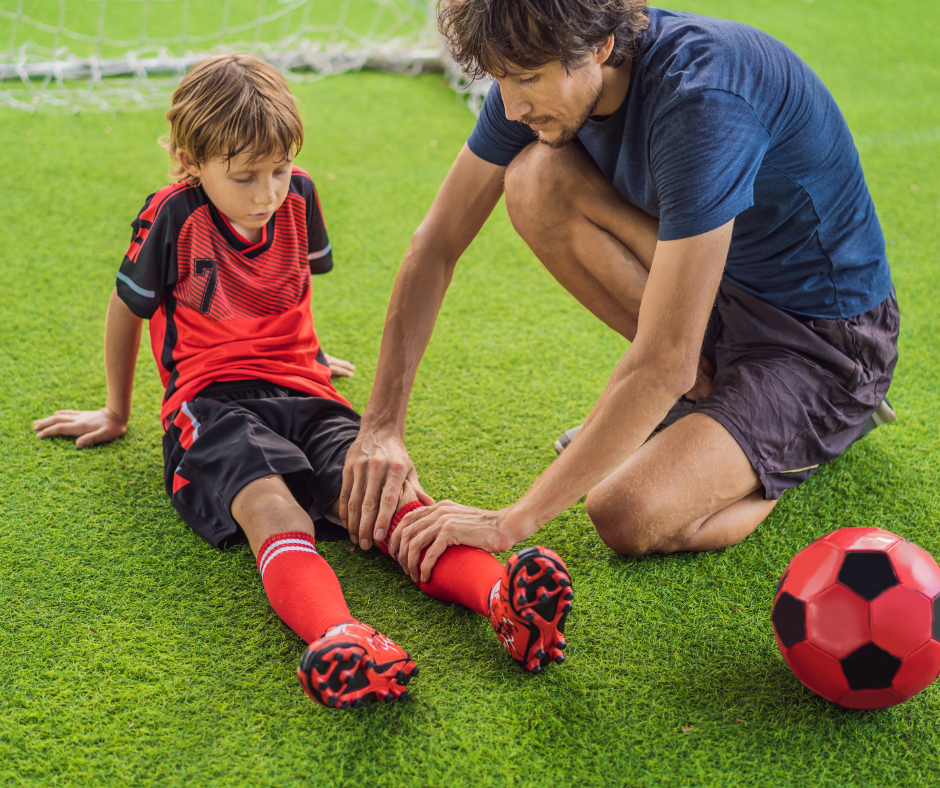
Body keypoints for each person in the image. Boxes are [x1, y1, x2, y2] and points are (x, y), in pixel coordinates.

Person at [32, 53, 573, 710]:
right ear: (189, 161)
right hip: (211, 404)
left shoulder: (301, 197)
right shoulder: (171, 217)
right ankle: (340, 637)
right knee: (275, 510)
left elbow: (288, 290)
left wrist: (309, 357)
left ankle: (503, 600)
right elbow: (127, 309)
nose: (268, 193)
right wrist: (117, 411)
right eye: (245, 176)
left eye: (280, 170)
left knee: (389, 501)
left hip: (307, 393)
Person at [339, 0, 899, 582]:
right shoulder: (535, 66)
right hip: (713, 283)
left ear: (601, 46)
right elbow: (434, 245)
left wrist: (510, 522)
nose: (512, 105)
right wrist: (380, 427)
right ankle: (714, 398)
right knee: (536, 180)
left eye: (528, 79)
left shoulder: (700, 100)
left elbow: (663, 361)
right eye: (501, 80)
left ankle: (787, 449)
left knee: (625, 512)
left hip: (821, 339)